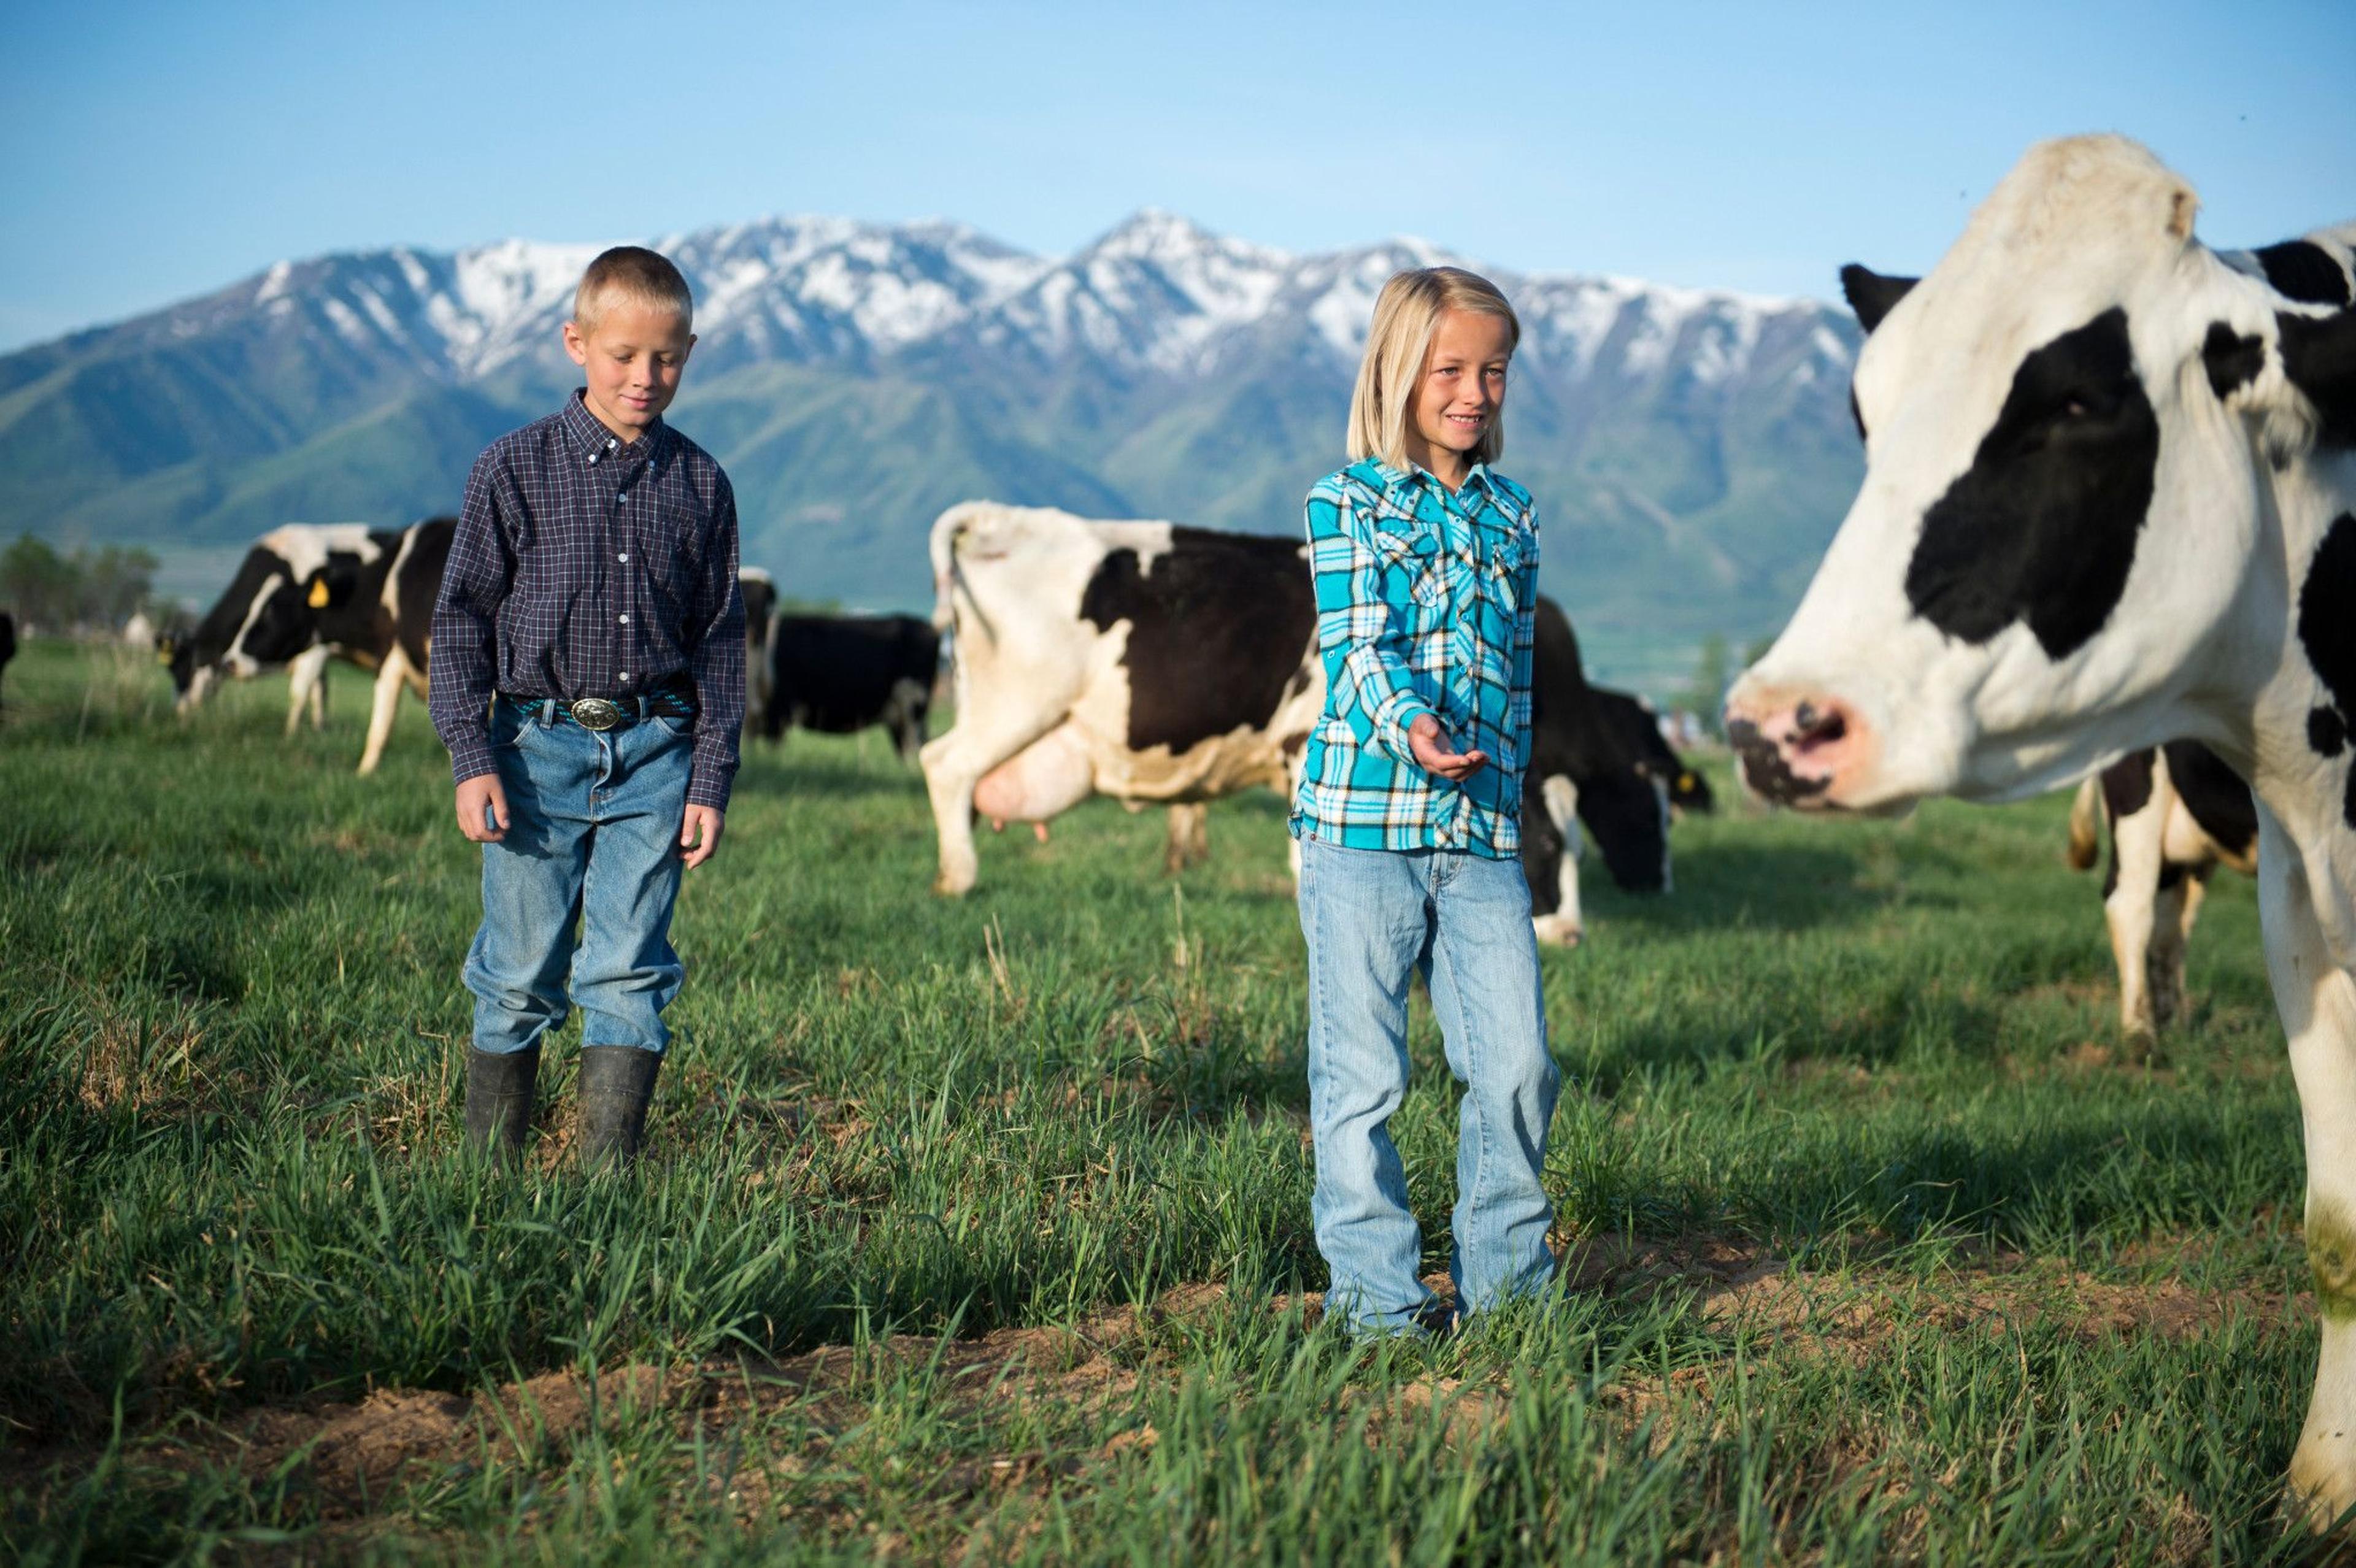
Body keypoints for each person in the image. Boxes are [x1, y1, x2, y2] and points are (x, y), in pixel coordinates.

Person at [428, 245, 745, 1168]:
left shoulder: (702, 483)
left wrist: (711, 777)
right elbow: (461, 620)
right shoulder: (512, 468)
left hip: (657, 751)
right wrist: (470, 755)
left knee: (630, 966)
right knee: (520, 966)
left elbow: (722, 642)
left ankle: (607, 1189)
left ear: (690, 353)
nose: (645, 377)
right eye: (623, 356)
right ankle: (486, 1184)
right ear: (576, 343)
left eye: (667, 358)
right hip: (535, 750)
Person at [1291, 266, 1558, 1335]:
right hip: (1363, 830)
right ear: (1398, 369)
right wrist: (1411, 725)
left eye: (1494, 371)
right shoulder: (1345, 501)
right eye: (1450, 370)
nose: (1474, 393)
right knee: (1362, 1078)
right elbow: (1358, 646)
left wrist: (1511, 799)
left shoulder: (1515, 514)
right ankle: (1376, 1307)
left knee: (1518, 1066)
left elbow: (1520, 678)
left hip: (1481, 835)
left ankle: (1510, 1298)